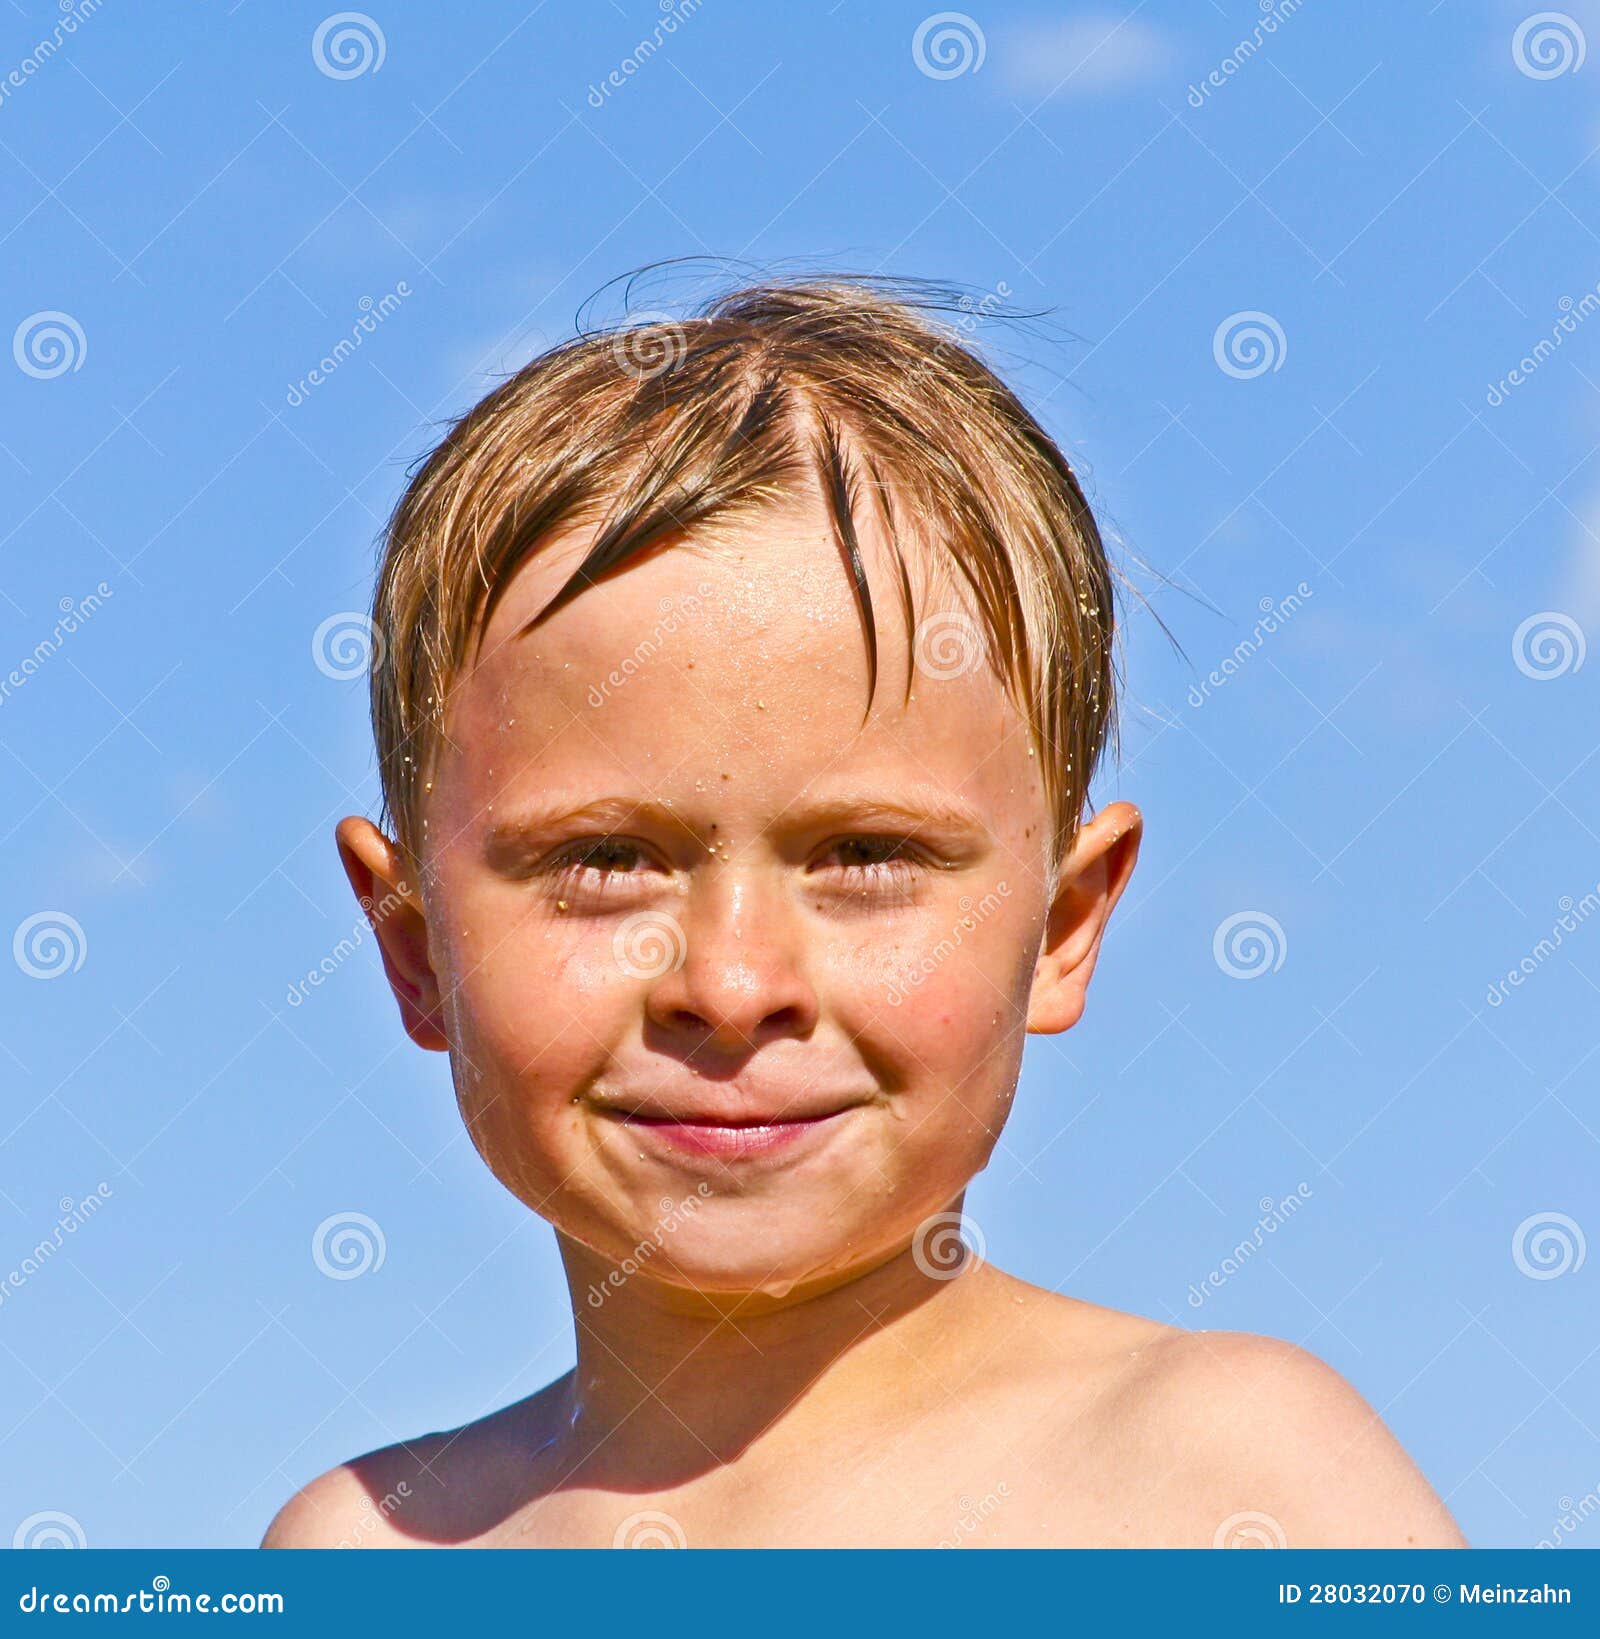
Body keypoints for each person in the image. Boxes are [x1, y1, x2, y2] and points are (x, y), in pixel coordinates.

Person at [263, 275, 1466, 1548]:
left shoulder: (1222, 1477)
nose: (729, 986)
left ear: (1061, 929)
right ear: (415, 949)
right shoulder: (372, 1550)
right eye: (607, 859)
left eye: (866, 854)